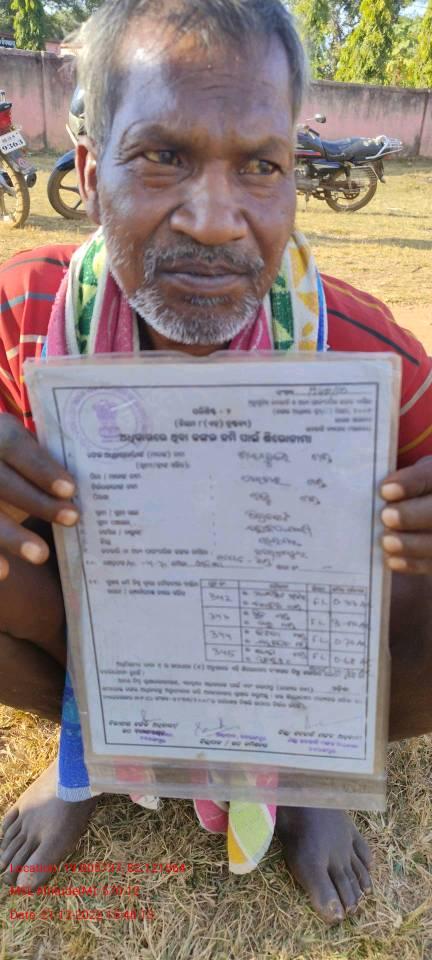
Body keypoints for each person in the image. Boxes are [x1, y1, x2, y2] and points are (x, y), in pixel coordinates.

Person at [0, 0, 432, 926]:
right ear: (90, 174)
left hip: (291, 640)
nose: (211, 220)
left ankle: (313, 775)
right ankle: (92, 753)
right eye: (163, 155)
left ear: (293, 181)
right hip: (99, 627)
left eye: (261, 166)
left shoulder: (365, 351)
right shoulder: (25, 316)